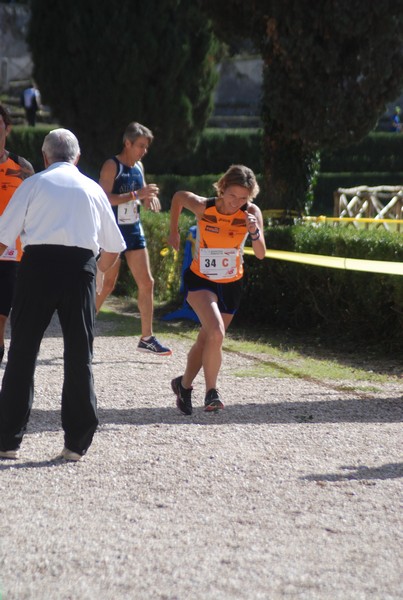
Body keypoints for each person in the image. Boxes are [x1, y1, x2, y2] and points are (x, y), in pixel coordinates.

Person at [0, 128, 126, 461]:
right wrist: (96, 274)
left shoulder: (32, 184)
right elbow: (113, 249)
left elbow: (3, 238)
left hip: (37, 266)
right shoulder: (93, 188)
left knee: (23, 353)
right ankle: (76, 443)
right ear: (77, 157)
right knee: (78, 355)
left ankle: (8, 440)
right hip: (80, 269)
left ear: (44, 157)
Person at [168, 164, 266, 414]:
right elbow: (179, 197)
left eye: (243, 198)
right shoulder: (204, 206)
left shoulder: (251, 212)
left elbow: (261, 253)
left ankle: (183, 384)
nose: (236, 203)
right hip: (201, 279)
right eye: (232, 196)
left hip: (231, 284)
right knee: (216, 331)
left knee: (207, 339)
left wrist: (254, 231)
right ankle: (212, 392)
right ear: (222, 189)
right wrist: (173, 231)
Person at [96, 121, 171, 356]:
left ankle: (147, 338)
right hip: (112, 230)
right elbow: (103, 199)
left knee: (147, 282)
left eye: (146, 146)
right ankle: (83, 327)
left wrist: (148, 199)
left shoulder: (139, 166)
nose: (144, 150)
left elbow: (140, 194)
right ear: (127, 143)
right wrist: (137, 194)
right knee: (106, 284)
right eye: (140, 145)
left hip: (133, 229)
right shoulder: (111, 165)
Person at [0, 103, 35, 367]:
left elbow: (35, 208)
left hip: (11, 254)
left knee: (2, 316)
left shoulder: (22, 167)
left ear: (7, 129)